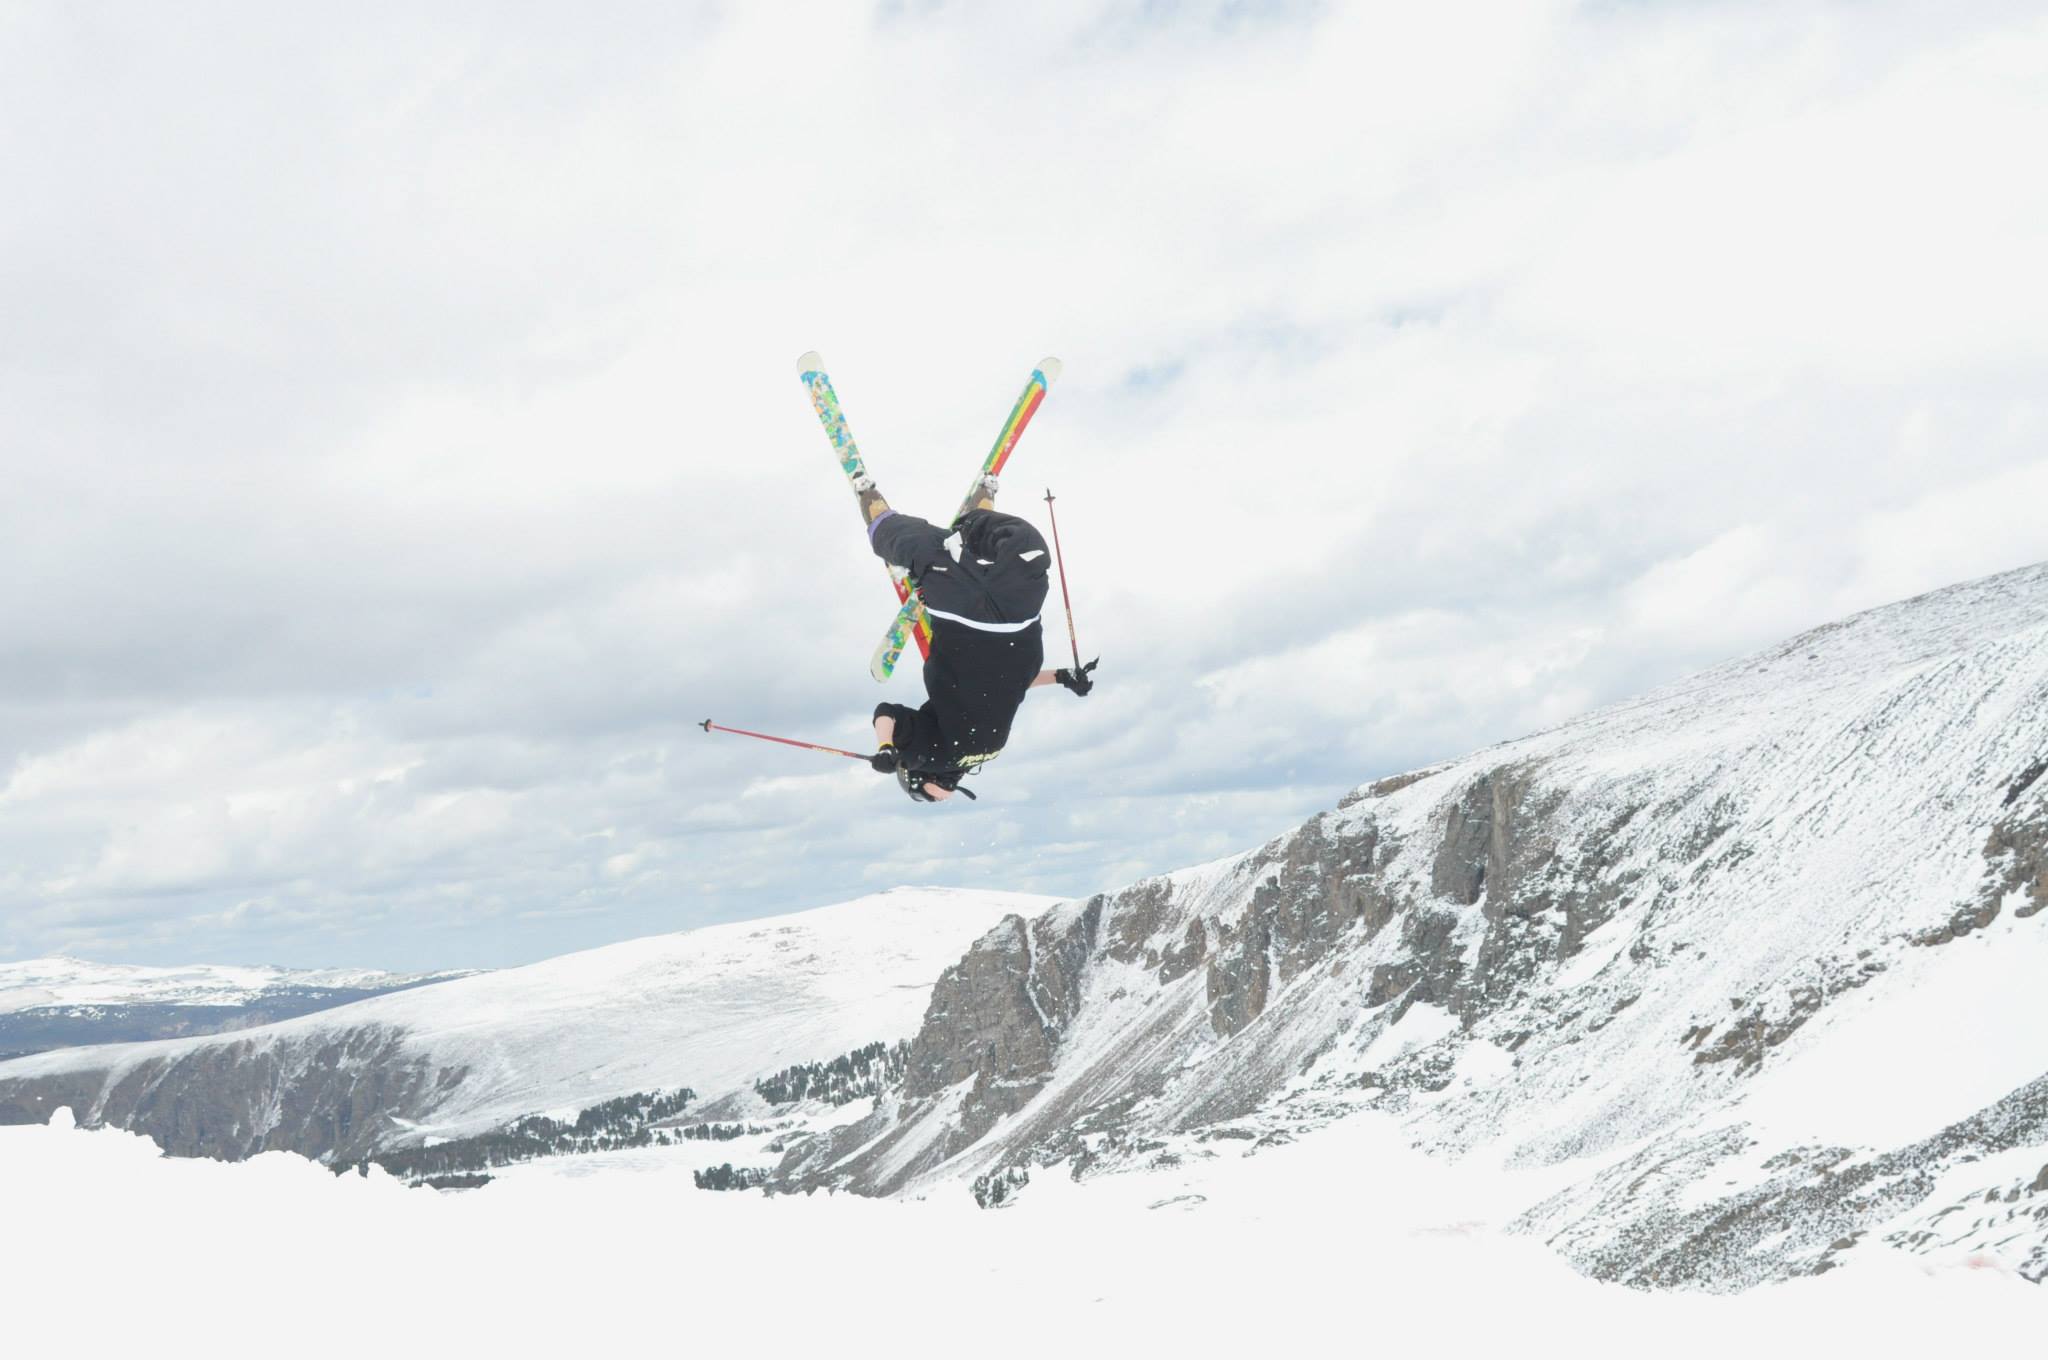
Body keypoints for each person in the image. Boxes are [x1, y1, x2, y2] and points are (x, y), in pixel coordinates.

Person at [857, 478, 1096, 802]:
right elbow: (1009, 687)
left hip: (1005, 606)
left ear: (918, 777)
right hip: (992, 614)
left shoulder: (931, 755)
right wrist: (1061, 677)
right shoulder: (950, 754)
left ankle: (961, 525)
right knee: (1011, 542)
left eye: (929, 797)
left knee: (1020, 541)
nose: (942, 797)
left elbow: (889, 714)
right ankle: (959, 528)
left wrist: (888, 749)